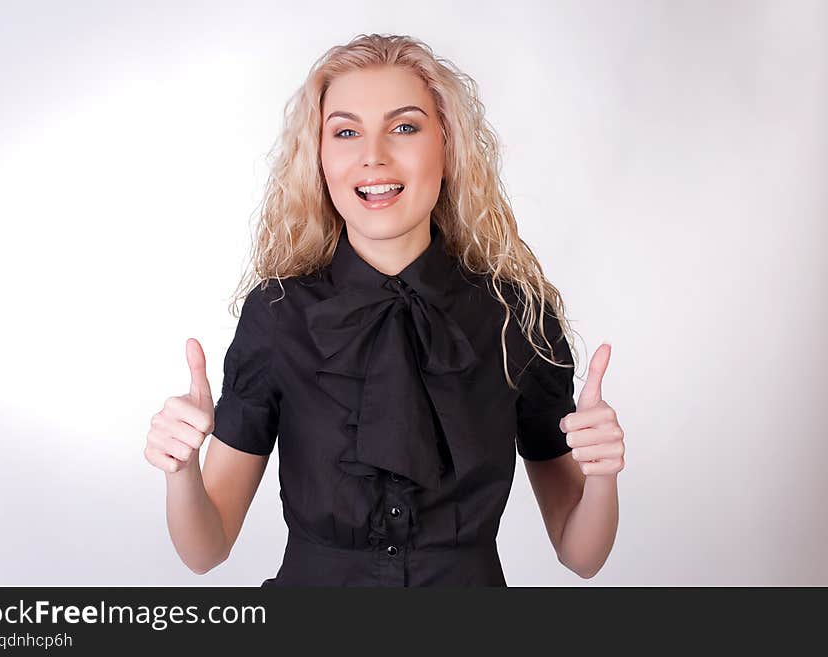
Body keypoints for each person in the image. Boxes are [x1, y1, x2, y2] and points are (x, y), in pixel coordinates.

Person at [145, 33, 625, 586]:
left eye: (404, 127)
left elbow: (580, 554)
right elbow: (206, 550)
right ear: (320, 159)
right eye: (346, 132)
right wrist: (180, 474)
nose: (373, 155)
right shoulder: (277, 315)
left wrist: (603, 475)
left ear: (446, 147)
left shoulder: (515, 317)